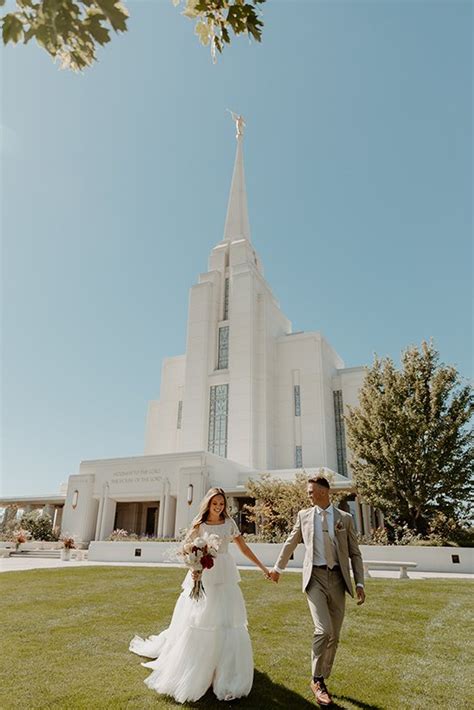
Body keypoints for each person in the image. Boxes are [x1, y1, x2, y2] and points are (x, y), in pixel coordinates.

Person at [129, 487, 271, 704]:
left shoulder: (229, 524)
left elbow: (243, 548)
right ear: (208, 504)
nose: (219, 507)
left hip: (224, 575)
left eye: (222, 504)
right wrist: (193, 565)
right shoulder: (199, 525)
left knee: (227, 621)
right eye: (215, 504)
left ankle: (224, 670)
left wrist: (263, 567)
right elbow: (185, 549)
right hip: (204, 575)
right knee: (201, 620)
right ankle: (198, 668)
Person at [269, 476, 365, 707]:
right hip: (315, 578)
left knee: (335, 636)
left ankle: (322, 674)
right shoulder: (304, 516)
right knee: (323, 629)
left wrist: (359, 583)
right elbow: (290, 542)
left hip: (338, 580)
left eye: (311, 491)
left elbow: (355, 553)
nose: (308, 494)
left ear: (324, 492)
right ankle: (317, 680)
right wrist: (277, 568)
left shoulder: (345, 518)